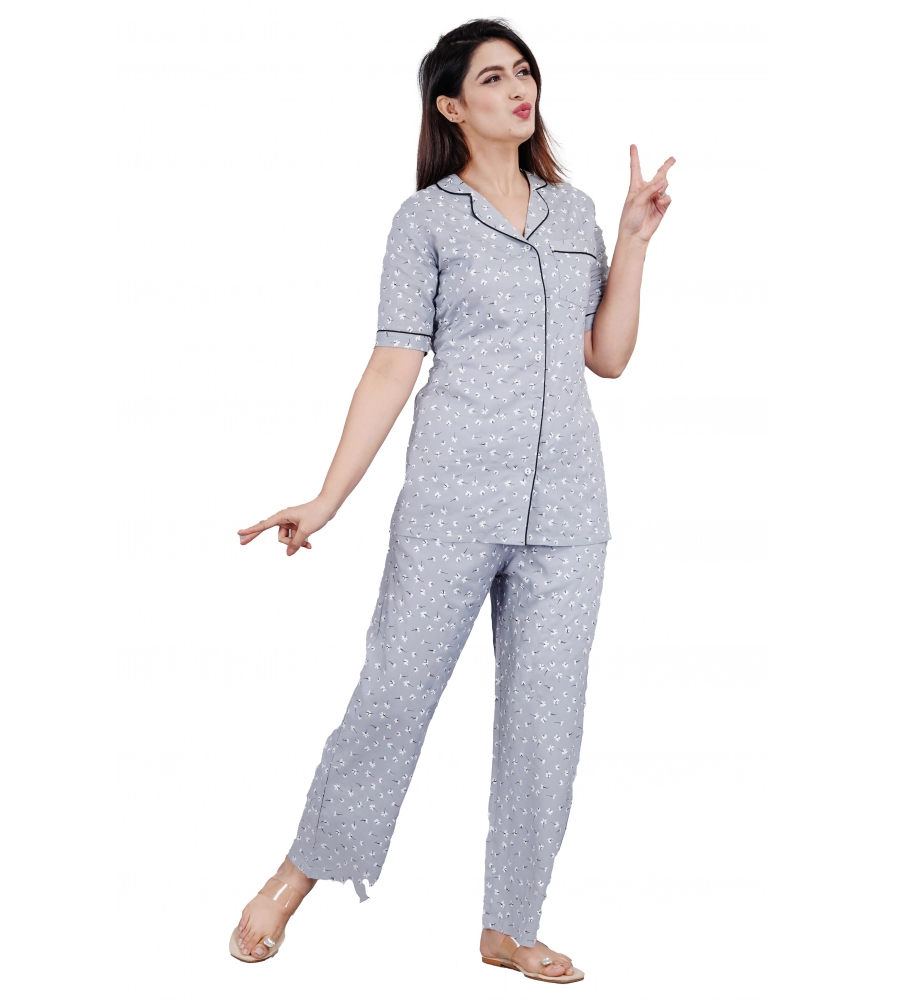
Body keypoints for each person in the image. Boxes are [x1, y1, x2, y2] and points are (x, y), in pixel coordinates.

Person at [229, 17, 674, 984]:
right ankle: (294, 878)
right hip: (452, 503)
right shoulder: (425, 222)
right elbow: (393, 365)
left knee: (546, 726)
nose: (519, 89)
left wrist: (636, 241)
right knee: (392, 699)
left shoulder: (576, 213)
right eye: (494, 78)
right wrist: (329, 497)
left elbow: (607, 357)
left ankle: (511, 926)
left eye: (525, 73)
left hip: (568, 515)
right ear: (451, 106)